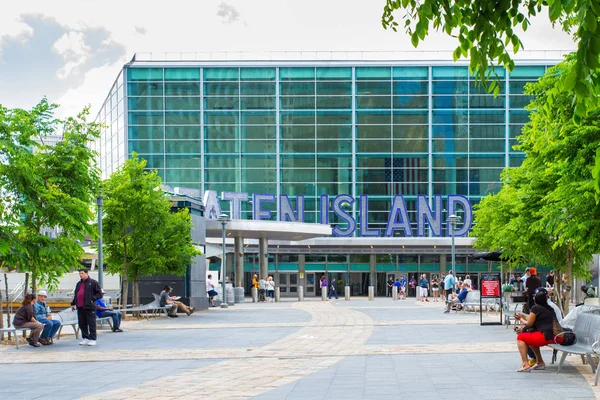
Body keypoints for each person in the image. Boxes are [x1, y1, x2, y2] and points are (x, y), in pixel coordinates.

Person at [514, 287, 562, 372]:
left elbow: (529, 323)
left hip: (550, 336)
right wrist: (522, 317)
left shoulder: (536, 308)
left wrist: (521, 319)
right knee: (530, 336)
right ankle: (540, 362)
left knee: (520, 337)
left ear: (536, 299)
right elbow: (531, 318)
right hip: (556, 335)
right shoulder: (549, 307)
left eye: (534, 297)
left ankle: (525, 364)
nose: (533, 298)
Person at [71, 268, 102, 346]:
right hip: (80, 307)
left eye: (82, 273)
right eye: (80, 274)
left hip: (90, 306)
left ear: (86, 273)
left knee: (91, 323)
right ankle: (85, 338)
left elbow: (99, 294)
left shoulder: (93, 282)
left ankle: (93, 339)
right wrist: (73, 303)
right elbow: (76, 294)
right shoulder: (78, 284)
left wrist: (92, 299)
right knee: (82, 323)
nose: (81, 275)